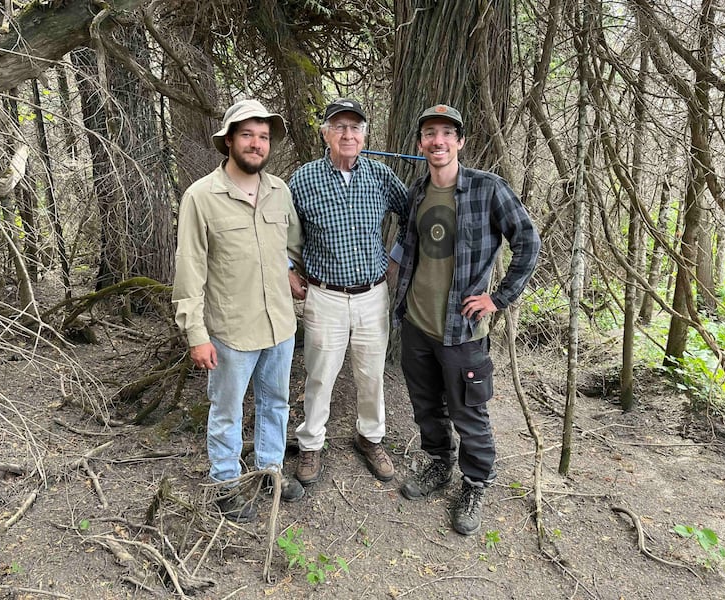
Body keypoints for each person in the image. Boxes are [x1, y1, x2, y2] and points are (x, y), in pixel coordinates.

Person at [393, 104, 540, 535]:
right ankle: (439, 463)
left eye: (446, 133)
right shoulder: (417, 192)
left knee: (468, 411)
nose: (437, 141)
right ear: (420, 143)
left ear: (460, 141)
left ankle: (475, 484)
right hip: (417, 324)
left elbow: (528, 242)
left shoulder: (487, 189)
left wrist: (499, 298)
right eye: (429, 133)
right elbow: (408, 248)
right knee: (426, 406)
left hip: (463, 331)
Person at [172, 99, 307, 523]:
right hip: (230, 331)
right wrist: (196, 335)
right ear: (228, 140)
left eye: (263, 136)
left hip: (280, 325)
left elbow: (290, 245)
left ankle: (270, 471)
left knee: (276, 403)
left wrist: (289, 271)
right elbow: (189, 270)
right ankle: (226, 483)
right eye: (247, 134)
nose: (256, 143)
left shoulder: (279, 191)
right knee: (227, 411)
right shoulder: (201, 197)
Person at [288, 98, 409, 485]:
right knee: (320, 375)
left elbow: (412, 214)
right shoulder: (303, 179)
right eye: (339, 126)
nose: (348, 134)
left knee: (371, 374)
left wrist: (396, 257)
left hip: (372, 295)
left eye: (355, 127)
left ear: (364, 135)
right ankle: (310, 444)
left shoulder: (379, 175)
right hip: (324, 295)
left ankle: (370, 438)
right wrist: (288, 268)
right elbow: (279, 227)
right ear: (325, 133)